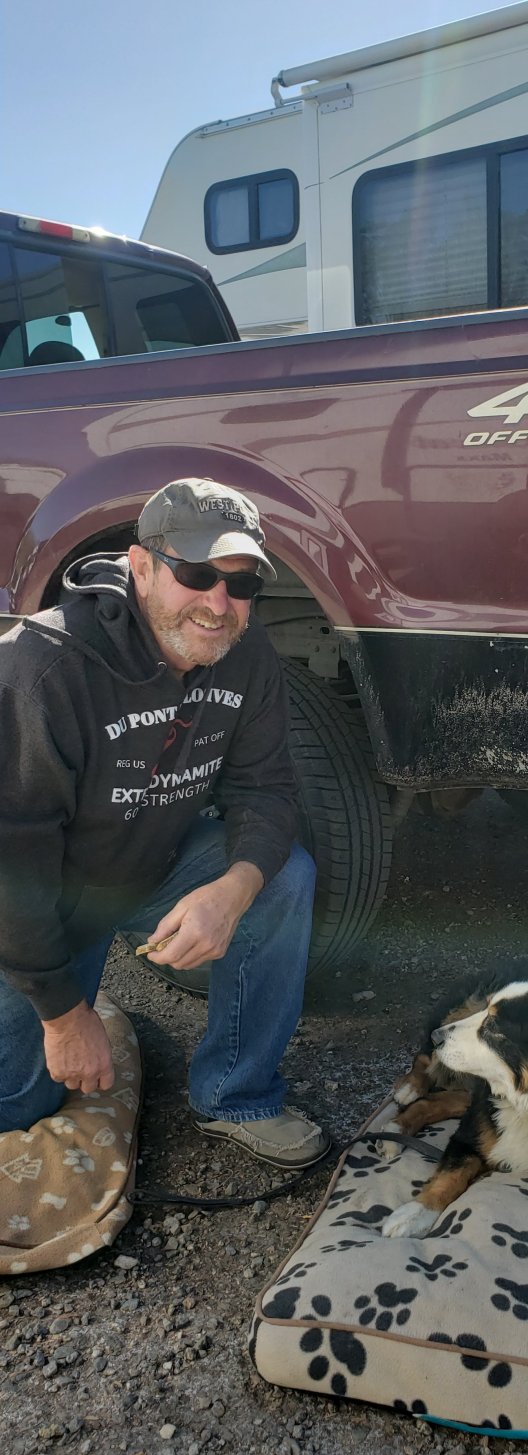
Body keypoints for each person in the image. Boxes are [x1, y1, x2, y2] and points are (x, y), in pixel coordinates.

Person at [0, 477, 330, 1169]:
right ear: (142, 566)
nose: (218, 603)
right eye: (197, 574)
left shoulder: (246, 652)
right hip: (40, 901)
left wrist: (232, 892)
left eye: (240, 584)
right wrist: (64, 1015)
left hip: (150, 867)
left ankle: (238, 1096)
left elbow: (267, 790)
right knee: (20, 1105)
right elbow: (11, 864)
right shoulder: (41, 668)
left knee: (282, 877)